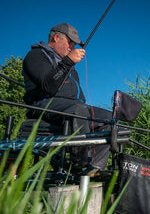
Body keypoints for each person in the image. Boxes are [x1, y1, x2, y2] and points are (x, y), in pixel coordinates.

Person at [22, 23, 111, 176]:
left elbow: (78, 97)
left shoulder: (68, 65)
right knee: (79, 111)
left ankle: (95, 168)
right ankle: (79, 165)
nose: (72, 47)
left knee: (108, 118)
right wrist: (68, 62)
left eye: (75, 44)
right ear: (56, 37)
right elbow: (47, 86)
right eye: (70, 42)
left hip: (71, 107)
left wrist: (68, 63)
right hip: (43, 104)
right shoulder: (36, 55)